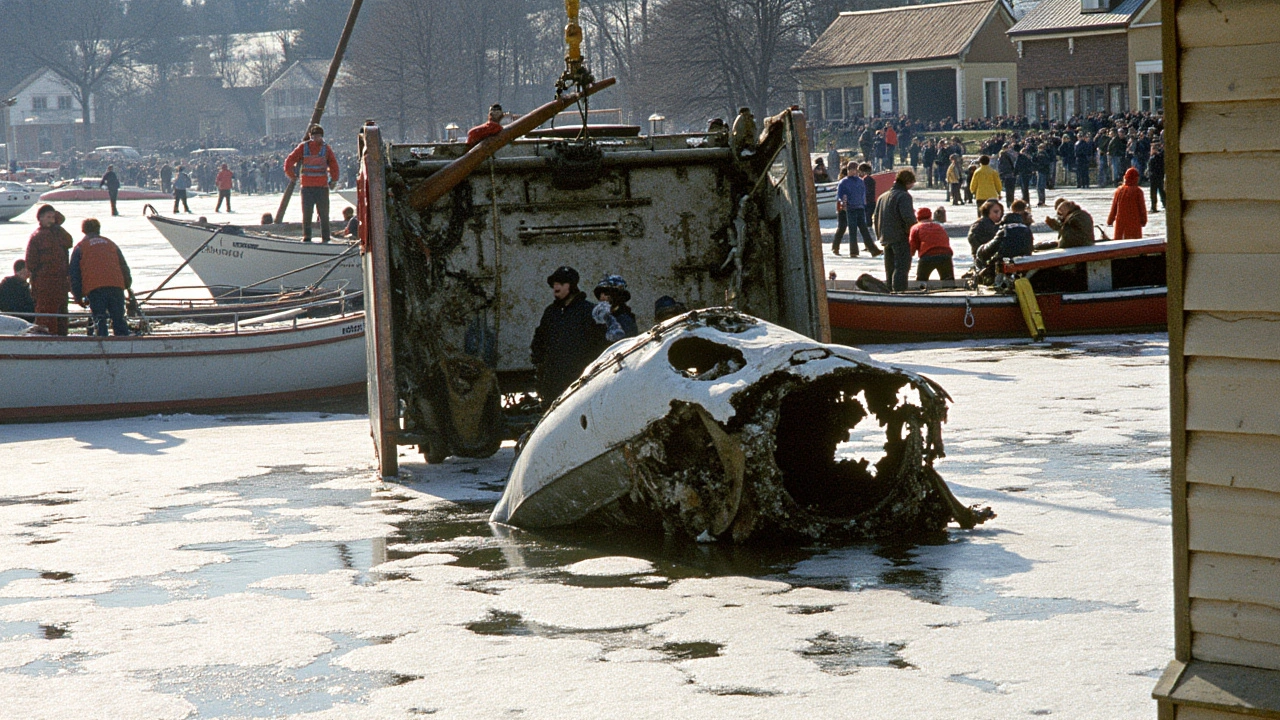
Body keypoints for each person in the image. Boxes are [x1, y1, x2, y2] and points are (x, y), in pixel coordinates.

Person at [529, 266, 600, 403]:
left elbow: (598, 344)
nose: (556, 287)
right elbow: (539, 339)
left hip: (580, 379)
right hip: (553, 382)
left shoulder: (588, 311)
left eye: (561, 283)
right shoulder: (551, 312)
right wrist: (539, 363)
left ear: (571, 286)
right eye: (554, 284)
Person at [69, 218, 132, 337]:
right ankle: (124, 343)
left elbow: (74, 274)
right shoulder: (110, 243)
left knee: (99, 319)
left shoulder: (81, 247)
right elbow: (123, 266)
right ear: (98, 229)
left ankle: (102, 343)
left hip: (95, 288)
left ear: (83, 230)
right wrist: (127, 284)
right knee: (118, 318)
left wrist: (78, 296)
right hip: (116, 285)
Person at [283, 125, 341, 243]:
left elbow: (334, 166)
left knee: (319, 215)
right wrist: (333, 180)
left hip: (316, 187)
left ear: (321, 136)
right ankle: (315, 237)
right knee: (315, 215)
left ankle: (317, 237)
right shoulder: (321, 149)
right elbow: (288, 162)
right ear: (310, 136)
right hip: (313, 188)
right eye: (314, 136)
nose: (316, 138)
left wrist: (292, 176)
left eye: (318, 136)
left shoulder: (306, 148)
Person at [24, 204, 74, 335]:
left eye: (53, 217)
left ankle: (63, 338)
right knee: (46, 314)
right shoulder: (37, 236)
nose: (51, 220)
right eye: (48, 217)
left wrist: (57, 224)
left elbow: (69, 242)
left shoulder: (59, 233)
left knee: (62, 312)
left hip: (61, 282)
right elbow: (31, 262)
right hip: (44, 283)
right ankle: (47, 338)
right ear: (40, 218)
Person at [873, 170, 917, 292]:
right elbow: (908, 217)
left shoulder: (882, 196)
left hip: (886, 237)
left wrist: (879, 235)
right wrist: (915, 232)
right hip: (900, 237)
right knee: (901, 268)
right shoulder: (904, 196)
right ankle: (900, 293)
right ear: (908, 182)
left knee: (890, 268)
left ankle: (890, 292)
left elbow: (875, 217)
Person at [976, 202, 1033, 277]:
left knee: (981, 253)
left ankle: (981, 277)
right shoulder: (1026, 229)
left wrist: (981, 249)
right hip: (1024, 258)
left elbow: (993, 246)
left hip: (1005, 260)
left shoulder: (1006, 229)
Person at [909, 207, 954, 282]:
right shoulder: (938, 226)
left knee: (921, 281)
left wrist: (910, 255)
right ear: (930, 216)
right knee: (948, 282)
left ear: (917, 217)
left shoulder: (916, 227)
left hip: (927, 255)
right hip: (945, 254)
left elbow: (912, 245)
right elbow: (945, 239)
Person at [592, 274, 638, 342]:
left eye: (606, 293)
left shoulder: (625, 320)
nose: (602, 297)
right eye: (600, 294)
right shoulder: (601, 318)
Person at [1107, 167, 1148, 240]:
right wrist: (1143, 221)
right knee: (1134, 247)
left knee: (1120, 246)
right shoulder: (1138, 191)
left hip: (1120, 224)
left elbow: (1114, 208)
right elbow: (1142, 208)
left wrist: (1110, 221)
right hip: (1134, 224)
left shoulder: (1119, 190)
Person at [1148, 144, 1165, 213]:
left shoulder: (1154, 158)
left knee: (1153, 193)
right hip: (1159, 176)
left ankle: (1153, 207)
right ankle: (1165, 204)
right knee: (1161, 191)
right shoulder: (1161, 157)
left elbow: (1151, 168)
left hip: (1154, 177)